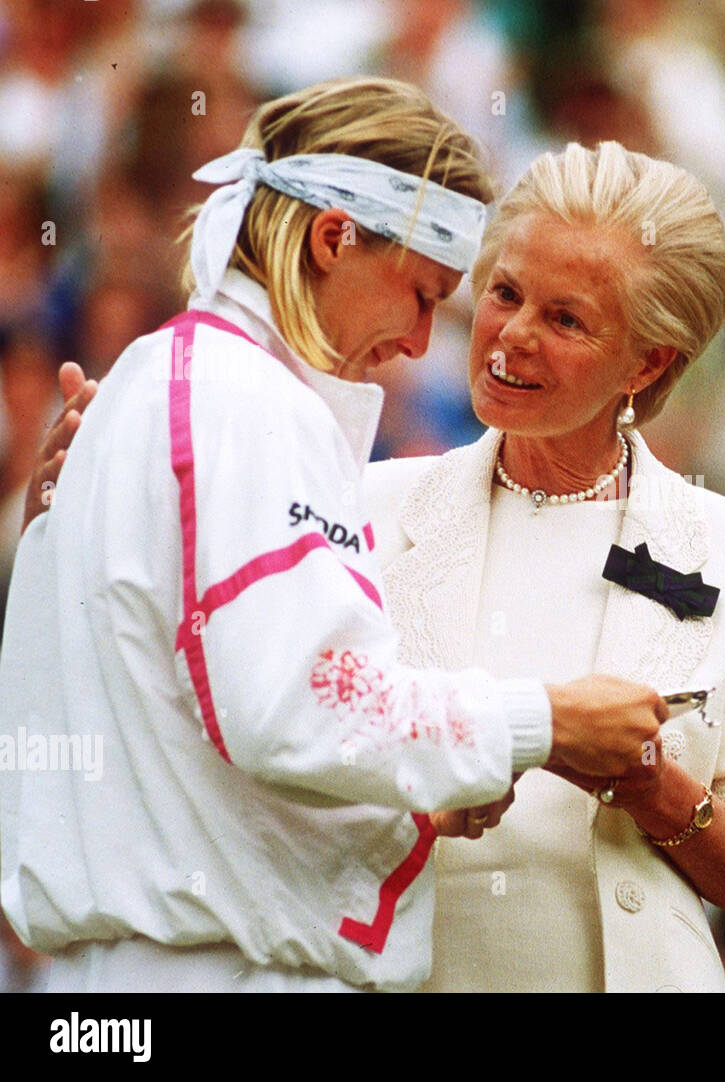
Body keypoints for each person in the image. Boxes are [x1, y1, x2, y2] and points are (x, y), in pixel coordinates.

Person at [0, 77, 667, 993]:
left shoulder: (148, 386)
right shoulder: (250, 404)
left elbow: (205, 748)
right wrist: (544, 723)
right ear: (331, 238)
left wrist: (414, 801)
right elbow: (305, 707)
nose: (423, 342)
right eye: (423, 294)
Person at [364, 141, 725, 992]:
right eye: (503, 293)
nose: (511, 336)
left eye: (565, 320)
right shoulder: (364, 509)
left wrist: (647, 786)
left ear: (648, 363)